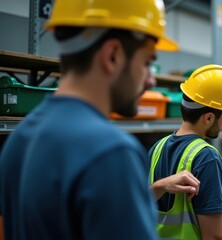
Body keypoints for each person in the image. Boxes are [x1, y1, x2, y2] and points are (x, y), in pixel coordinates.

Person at [0, 0, 200, 239]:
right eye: (147, 63)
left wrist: (155, 188)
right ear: (113, 55)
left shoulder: (19, 139)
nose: (151, 81)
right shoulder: (111, 152)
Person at [148, 64, 222, 240]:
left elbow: (140, 203)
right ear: (208, 118)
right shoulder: (207, 157)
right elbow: (214, 236)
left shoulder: (157, 148)